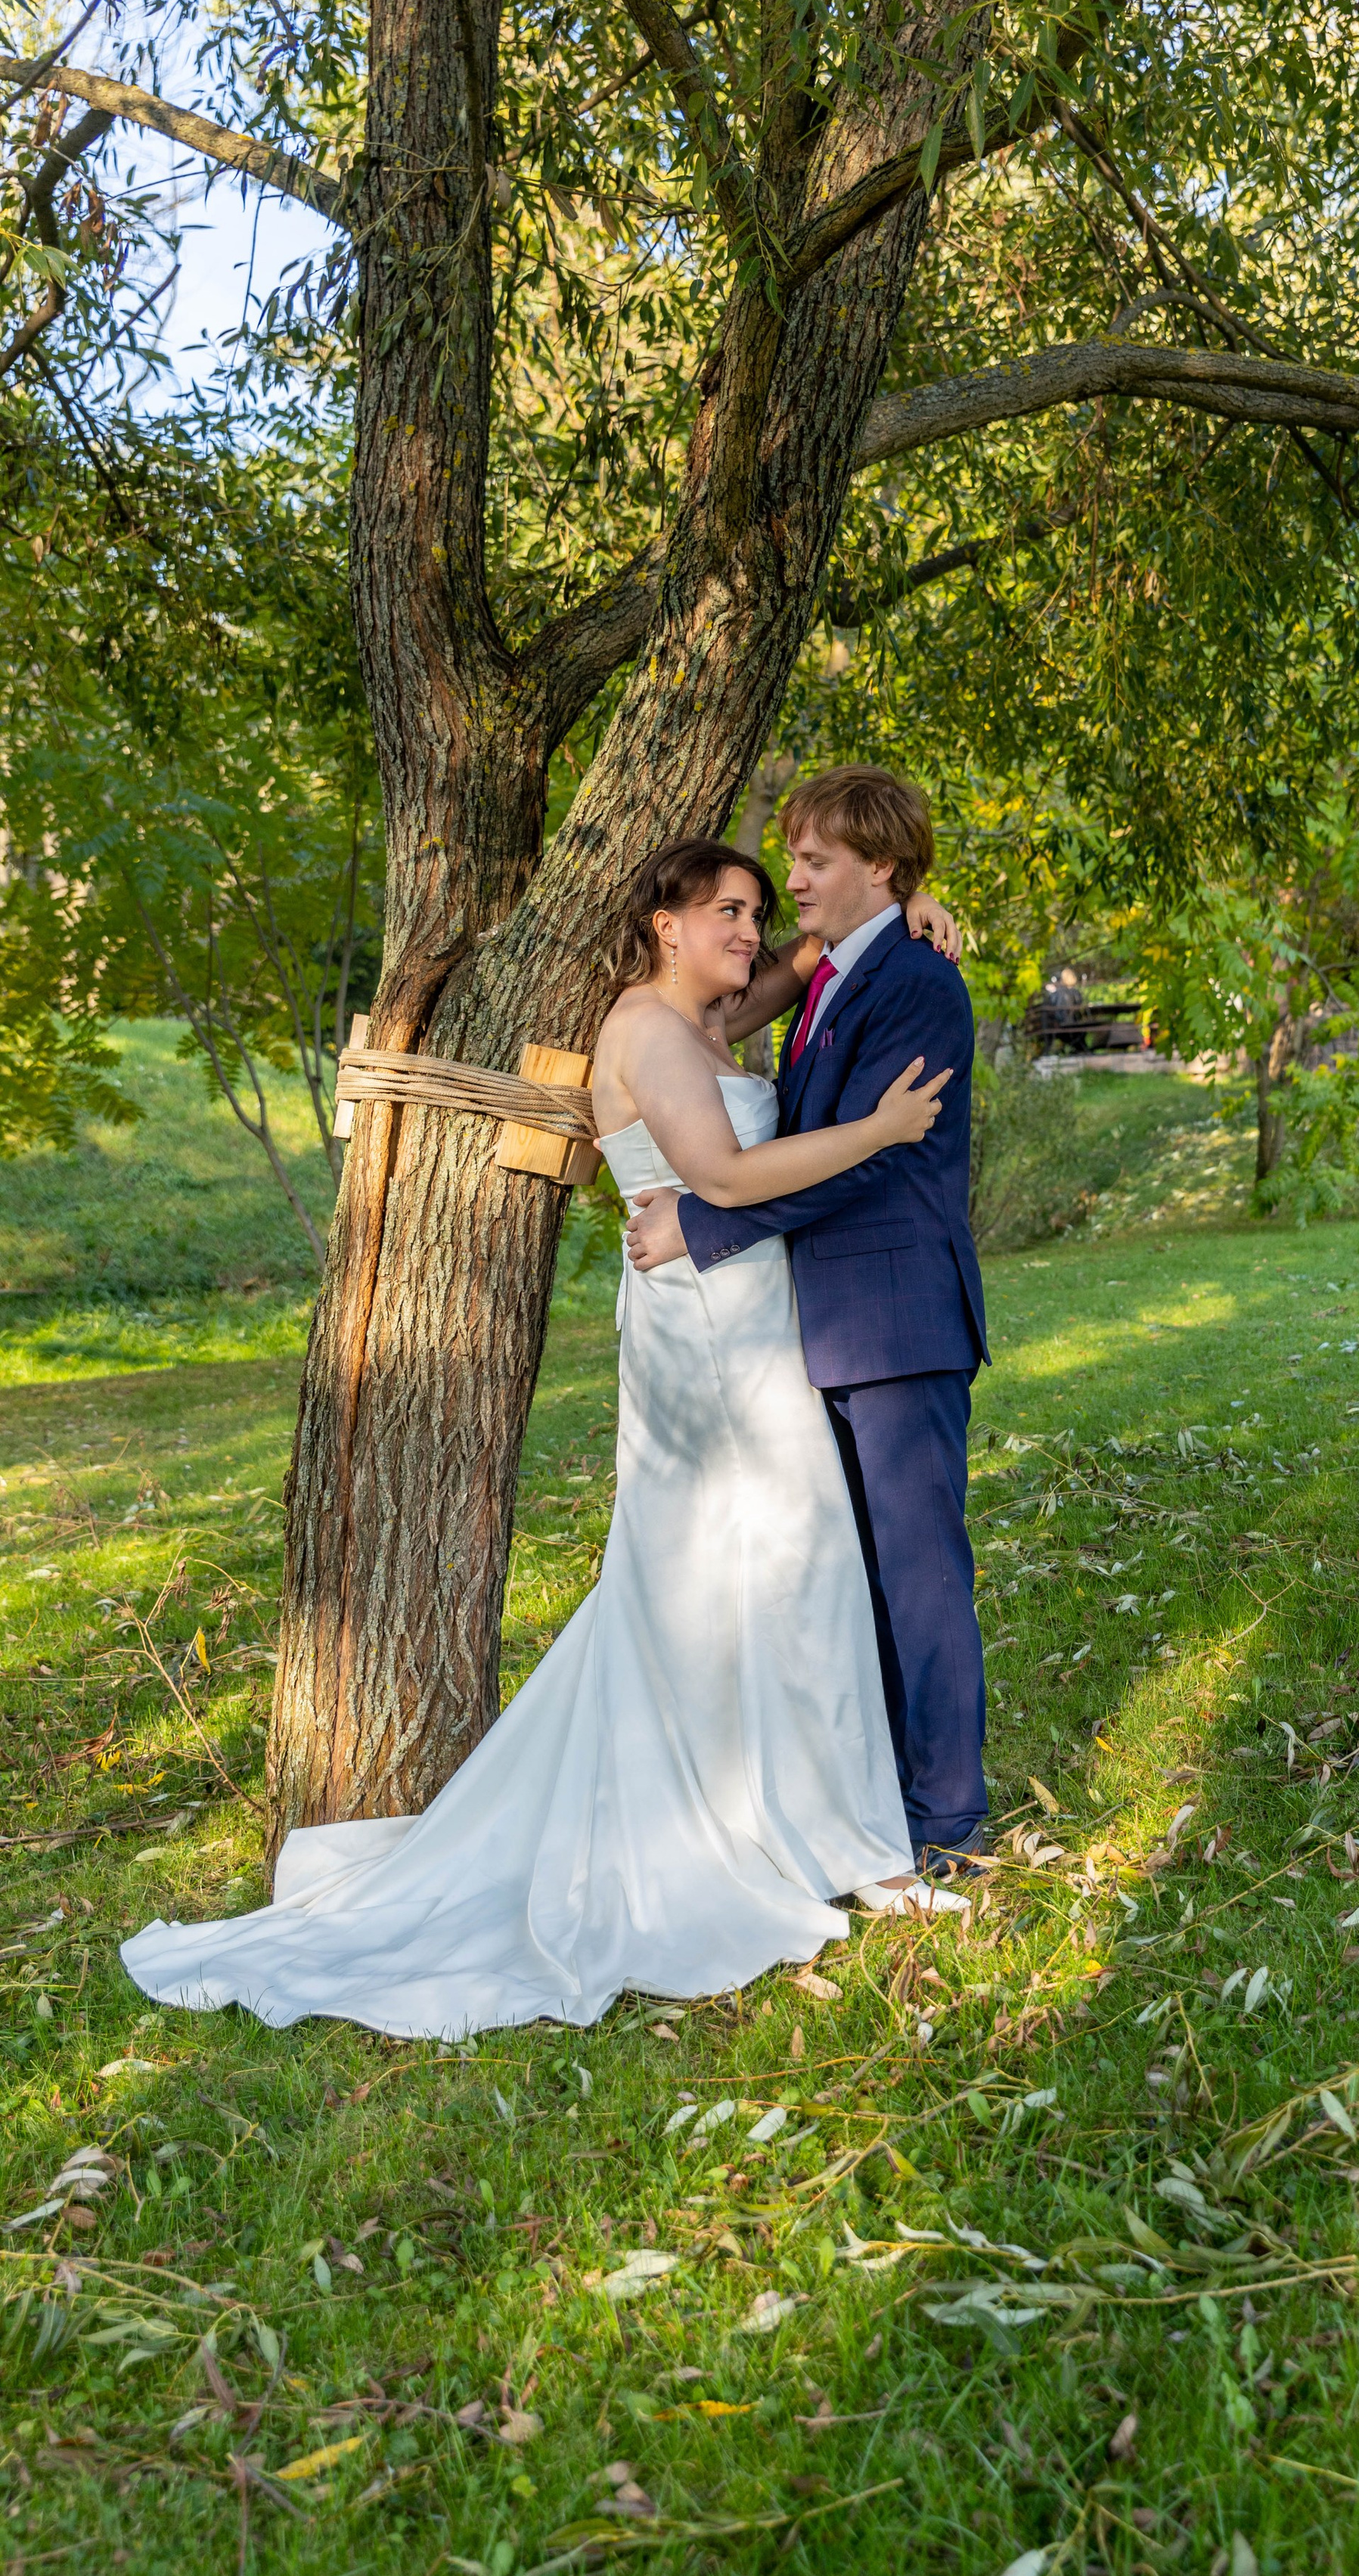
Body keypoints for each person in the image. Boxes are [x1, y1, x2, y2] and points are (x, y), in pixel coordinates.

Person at [121, 840, 967, 2039]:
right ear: (663, 925)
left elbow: (811, 954)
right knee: (760, 1562)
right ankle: (790, 1838)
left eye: (757, 911)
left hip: (748, 1318)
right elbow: (721, 1177)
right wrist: (882, 1132)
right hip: (709, 1339)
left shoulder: (709, 1017)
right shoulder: (648, 1032)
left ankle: (818, 1824)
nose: (752, 930)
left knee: (785, 1567)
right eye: (728, 911)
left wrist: (904, 897)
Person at [625, 766, 989, 1878]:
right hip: (809, 1325)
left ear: (880, 866)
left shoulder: (918, 987)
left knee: (917, 1572)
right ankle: (867, 1793)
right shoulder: (832, 975)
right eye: (789, 862)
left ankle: (948, 1822)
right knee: (846, 1570)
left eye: (815, 862)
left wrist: (707, 1223)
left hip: (894, 1320)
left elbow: (877, 1160)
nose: (793, 883)